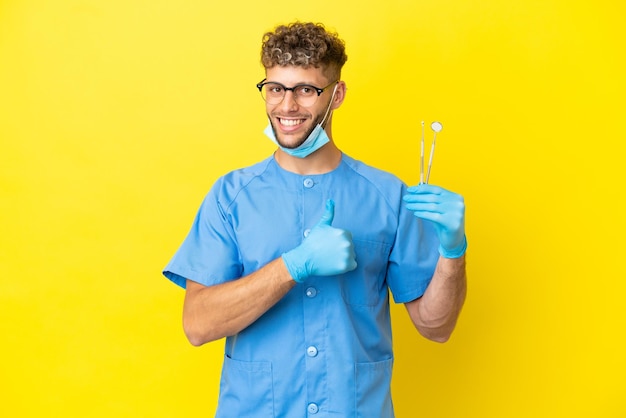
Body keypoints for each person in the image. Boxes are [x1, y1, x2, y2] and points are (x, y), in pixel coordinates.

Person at [163, 21, 467, 418]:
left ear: (336, 94)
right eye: (275, 88)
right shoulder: (231, 196)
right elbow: (197, 324)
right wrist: (294, 265)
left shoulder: (387, 196)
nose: (287, 106)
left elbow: (436, 326)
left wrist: (453, 250)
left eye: (306, 90)